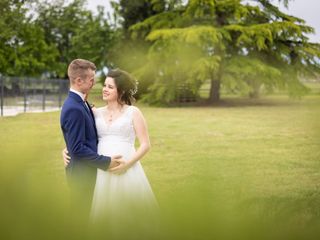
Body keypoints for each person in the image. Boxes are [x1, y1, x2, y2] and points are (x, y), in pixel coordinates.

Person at [63, 68, 158, 235]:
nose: (104, 89)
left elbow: (145, 145)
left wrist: (127, 165)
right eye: (104, 85)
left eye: (110, 87)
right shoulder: (95, 112)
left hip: (126, 168)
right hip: (102, 170)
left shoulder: (133, 113)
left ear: (120, 91)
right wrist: (66, 149)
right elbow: (81, 137)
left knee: (130, 215)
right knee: (104, 212)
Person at [60, 59, 123, 218]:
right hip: (82, 176)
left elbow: (78, 138)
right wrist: (106, 162)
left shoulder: (81, 102)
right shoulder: (74, 108)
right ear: (79, 81)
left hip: (88, 172)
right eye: (91, 79)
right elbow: (77, 148)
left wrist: (67, 147)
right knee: (80, 218)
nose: (94, 83)